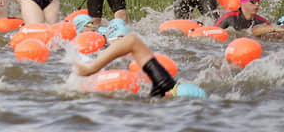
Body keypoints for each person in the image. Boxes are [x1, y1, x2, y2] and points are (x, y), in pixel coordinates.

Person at [74, 33, 206, 98]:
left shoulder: (164, 86)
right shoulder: (164, 90)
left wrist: (92, 68)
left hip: (168, 89)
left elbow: (132, 41)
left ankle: (90, 68)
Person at [215, 0, 284, 39]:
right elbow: (212, 33)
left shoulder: (262, 21)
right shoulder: (229, 18)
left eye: (258, 2)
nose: (257, 4)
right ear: (243, 2)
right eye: (253, 2)